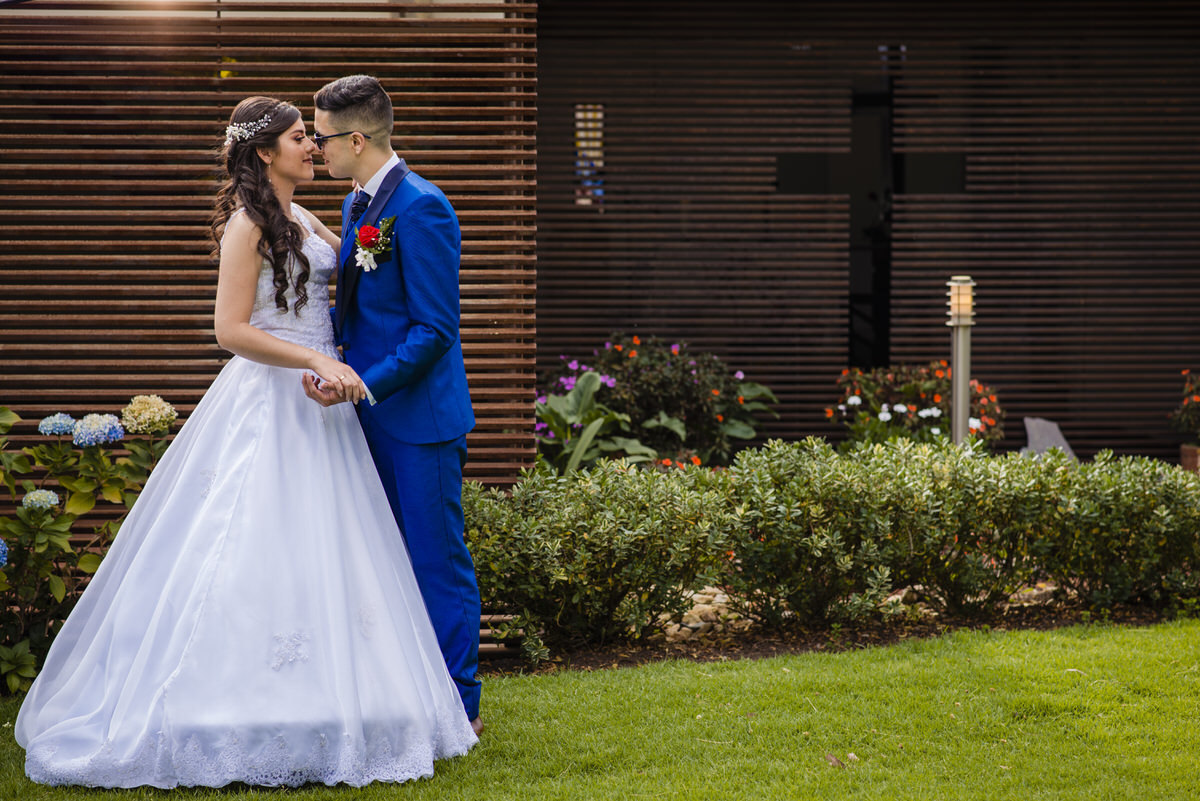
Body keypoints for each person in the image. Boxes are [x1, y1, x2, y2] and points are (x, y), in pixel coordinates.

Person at [14, 96, 477, 789]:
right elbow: (229, 330)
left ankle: (359, 696)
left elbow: (355, 300)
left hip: (328, 409)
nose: (312, 148)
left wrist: (336, 362)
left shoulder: (322, 216)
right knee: (252, 544)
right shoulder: (246, 225)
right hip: (273, 398)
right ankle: (234, 695)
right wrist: (314, 360)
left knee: (333, 553)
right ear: (265, 152)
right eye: (299, 138)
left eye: (315, 137)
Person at [303, 75, 482, 734]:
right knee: (384, 557)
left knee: (436, 559)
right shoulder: (358, 204)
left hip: (419, 420)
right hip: (368, 413)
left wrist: (363, 381)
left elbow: (436, 329)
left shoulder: (424, 206)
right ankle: (407, 693)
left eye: (321, 139)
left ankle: (461, 706)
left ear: (355, 138)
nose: (316, 149)